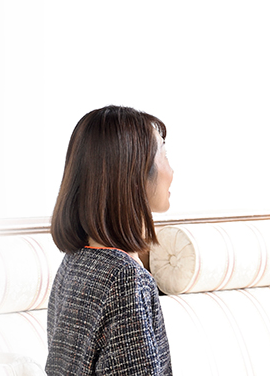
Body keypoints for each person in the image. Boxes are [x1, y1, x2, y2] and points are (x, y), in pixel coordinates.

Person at [45, 105, 175, 376]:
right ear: (135, 173)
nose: (172, 170)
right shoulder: (125, 278)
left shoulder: (74, 262)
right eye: (164, 154)